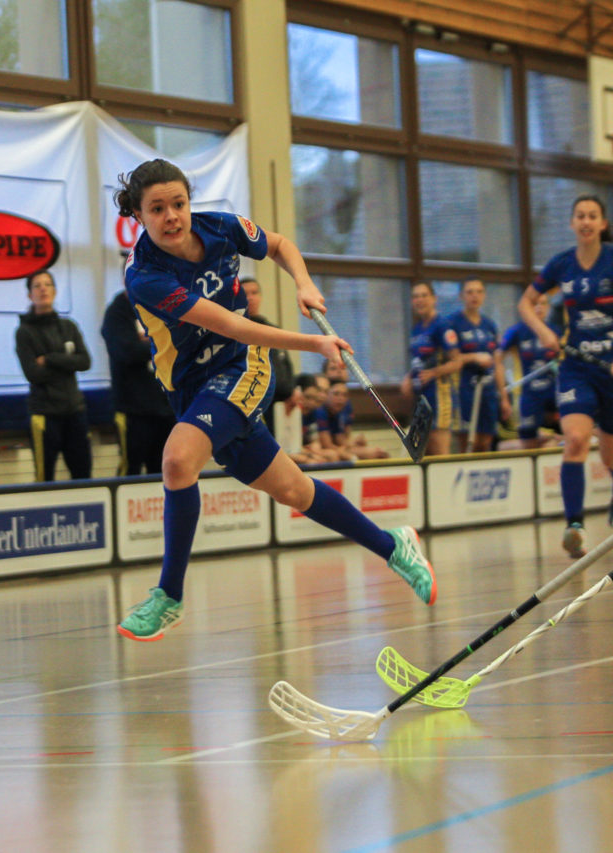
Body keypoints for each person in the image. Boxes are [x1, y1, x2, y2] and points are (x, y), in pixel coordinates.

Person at [111, 158, 436, 641]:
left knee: (178, 460)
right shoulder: (145, 276)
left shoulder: (220, 228)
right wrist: (316, 344)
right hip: (193, 389)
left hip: (242, 366)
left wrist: (303, 282)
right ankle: (394, 546)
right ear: (138, 215)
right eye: (157, 209)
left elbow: (280, 247)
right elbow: (228, 322)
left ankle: (168, 596)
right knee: (294, 491)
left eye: (178, 203)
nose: (172, 216)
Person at [517, 194, 613, 558]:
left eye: (593, 216)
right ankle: (574, 526)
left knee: (611, 456)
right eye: (580, 216)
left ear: (603, 224)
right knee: (574, 439)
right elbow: (525, 303)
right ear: (572, 223)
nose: (586, 221)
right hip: (576, 369)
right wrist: (543, 331)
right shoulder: (560, 265)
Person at [14, 269, 93, 481]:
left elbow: (85, 362)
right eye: (37, 286)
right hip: (44, 414)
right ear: (30, 295)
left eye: (47, 284)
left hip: (75, 411)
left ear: (55, 291)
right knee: (44, 477)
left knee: (83, 474)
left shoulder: (68, 326)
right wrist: (68, 363)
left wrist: (49, 359)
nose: (43, 289)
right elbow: (33, 374)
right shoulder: (24, 332)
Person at [102, 287, 177, 476]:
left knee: (164, 468)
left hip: (165, 405)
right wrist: (159, 342)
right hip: (133, 409)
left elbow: (179, 344)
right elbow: (125, 351)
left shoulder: (161, 305)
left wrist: (148, 341)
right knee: (131, 468)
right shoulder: (118, 312)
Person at [448, 278, 510, 453]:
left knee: (485, 442)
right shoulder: (452, 323)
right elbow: (451, 358)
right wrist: (474, 357)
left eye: (479, 292)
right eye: (470, 292)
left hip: (488, 389)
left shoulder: (489, 325)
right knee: (468, 441)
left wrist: (503, 397)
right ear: (461, 296)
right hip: (464, 389)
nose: (474, 296)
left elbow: (497, 362)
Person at [400, 281, 459, 457]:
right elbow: (419, 362)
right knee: (423, 449)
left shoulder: (442, 325)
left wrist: (434, 373)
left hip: (439, 395)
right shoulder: (417, 329)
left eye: (424, 296)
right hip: (420, 397)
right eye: (416, 296)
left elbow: (457, 361)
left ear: (434, 299)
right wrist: (409, 378)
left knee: (438, 445)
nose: (420, 300)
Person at [498, 296, 560, 449]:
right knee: (529, 440)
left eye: (543, 303)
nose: (539, 308)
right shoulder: (516, 331)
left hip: (554, 393)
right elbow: (498, 358)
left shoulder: (555, 331)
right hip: (528, 394)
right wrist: (503, 396)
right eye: (534, 304)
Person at [240, 276, 300, 434]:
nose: (251, 298)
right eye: (245, 293)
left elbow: (285, 364)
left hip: (281, 404)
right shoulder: (236, 330)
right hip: (254, 402)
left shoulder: (272, 329)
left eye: (254, 292)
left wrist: (292, 389)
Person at [316, 379, 388, 460]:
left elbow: (341, 441)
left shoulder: (340, 412)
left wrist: (354, 443)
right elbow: (327, 445)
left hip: (337, 449)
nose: (340, 398)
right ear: (327, 394)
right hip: (321, 451)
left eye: (345, 395)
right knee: (336, 456)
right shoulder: (320, 412)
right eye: (336, 394)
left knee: (379, 452)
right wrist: (353, 449)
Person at [289, 373, 340, 465]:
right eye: (307, 397)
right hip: (288, 452)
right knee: (315, 461)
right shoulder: (289, 412)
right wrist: (310, 454)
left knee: (332, 455)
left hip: (304, 450)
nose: (311, 403)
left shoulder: (312, 412)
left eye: (314, 398)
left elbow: (315, 440)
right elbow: (288, 446)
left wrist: (314, 446)